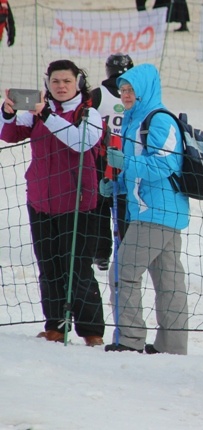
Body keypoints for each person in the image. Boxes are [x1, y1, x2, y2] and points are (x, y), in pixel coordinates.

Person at [1, 59, 105, 346]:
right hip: (40, 201)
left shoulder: (88, 113)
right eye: (56, 81)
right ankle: (55, 326)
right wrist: (8, 113)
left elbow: (80, 142)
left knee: (78, 269)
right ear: (48, 83)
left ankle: (91, 330)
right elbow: (8, 134)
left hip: (78, 203)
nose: (61, 87)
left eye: (67, 81)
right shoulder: (37, 112)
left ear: (78, 84)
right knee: (49, 266)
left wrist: (46, 114)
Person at [101, 64, 190, 355]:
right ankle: (172, 346)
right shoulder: (133, 119)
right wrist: (118, 188)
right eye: (123, 90)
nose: (125, 95)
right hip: (155, 210)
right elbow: (140, 170)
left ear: (145, 91)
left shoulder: (159, 120)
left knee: (123, 273)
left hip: (155, 211)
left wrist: (126, 164)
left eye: (131, 90)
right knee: (169, 281)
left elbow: (166, 164)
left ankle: (130, 339)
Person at [90, 53, 134, 271]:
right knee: (122, 207)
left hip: (101, 159)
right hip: (124, 159)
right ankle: (120, 251)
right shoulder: (130, 93)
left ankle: (101, 252)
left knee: (100, 207)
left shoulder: (98, 94)